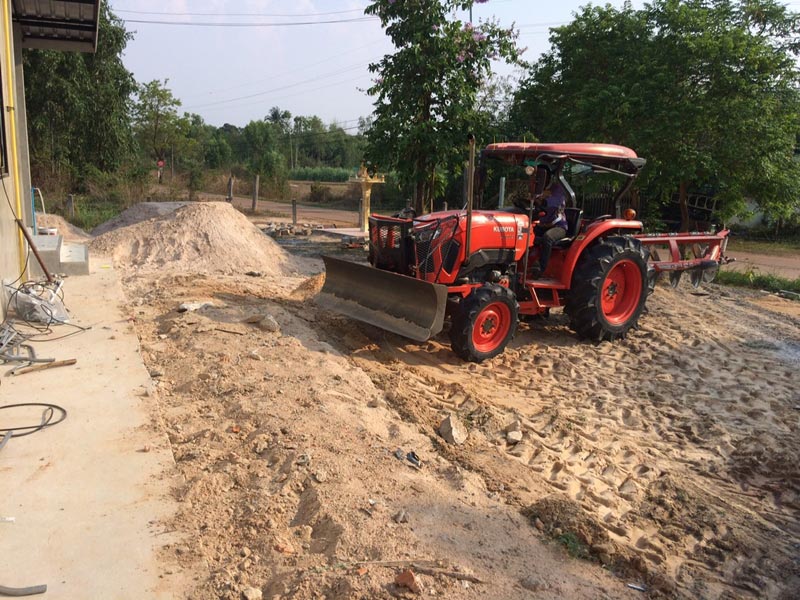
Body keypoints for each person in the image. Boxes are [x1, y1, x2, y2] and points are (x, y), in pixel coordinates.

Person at [532, 179, 568, 276]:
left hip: (559, 226)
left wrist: (541, 200)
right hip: (543, 225)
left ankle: (541, 268)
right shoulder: (538, 189)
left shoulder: (557, 189)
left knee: (548, 237)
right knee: (527, 233)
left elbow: (554, 202)